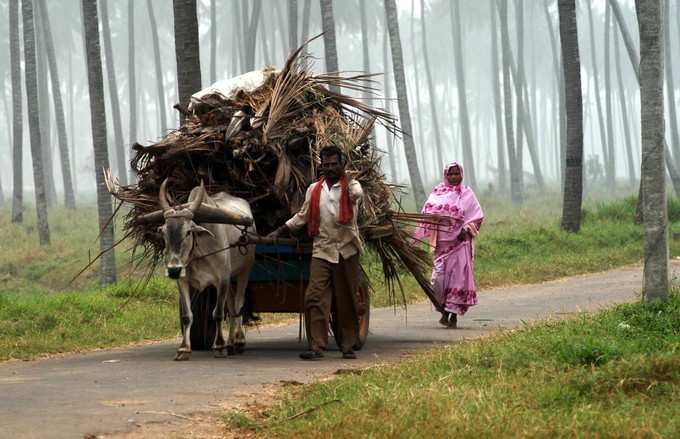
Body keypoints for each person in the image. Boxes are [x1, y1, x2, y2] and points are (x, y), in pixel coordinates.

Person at [268, 144, 364, 360]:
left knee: (346, 298)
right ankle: (317, 346)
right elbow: (302, 216)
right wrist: (280, 230)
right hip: (322, 249)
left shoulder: (351, 186)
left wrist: (350, 183)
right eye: (326, 164)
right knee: (314, 296)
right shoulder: (314, 189)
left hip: (346, 249)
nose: (329, 168)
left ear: (342, 164)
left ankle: (347, 345)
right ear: (321, 165)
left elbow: (358, 195)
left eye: (334, 164)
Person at [415, 162, 484, 328]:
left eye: (456, 174)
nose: (454, 177)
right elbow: (427, 213)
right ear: (446, 175)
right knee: (438, 280)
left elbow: (477, 216)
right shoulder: (437, 192)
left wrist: (466, 229)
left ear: (461, 174)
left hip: (460, 244)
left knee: (457, 281)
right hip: (441, 246)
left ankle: (452, 315)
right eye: (451, 174)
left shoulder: (467, 193)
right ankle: (443, 310)